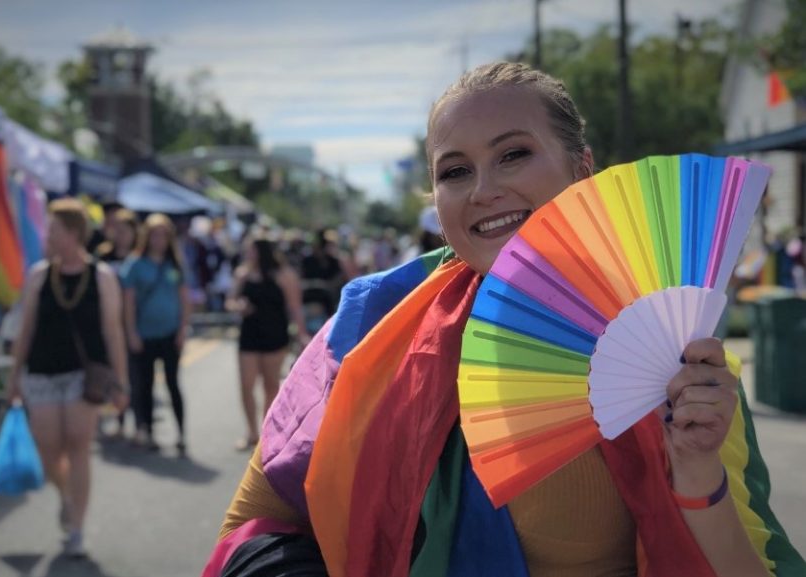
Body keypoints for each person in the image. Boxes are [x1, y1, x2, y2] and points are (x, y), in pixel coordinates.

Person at [203, 62, 805, 577]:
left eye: (513, 154)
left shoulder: (679, 348)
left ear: (581, 169)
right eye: (454, 171)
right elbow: (257, 521)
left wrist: (699, 476)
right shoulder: (372, 324)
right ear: (437, 204)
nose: (484, 189)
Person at [6, 198, 128, 558]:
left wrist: (121, 382)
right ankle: (64, 495)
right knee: (48, 449)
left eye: (54, 229)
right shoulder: (39, 275)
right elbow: (25, 330)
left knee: (77, 445)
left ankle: (76, 527)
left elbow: (113, 332)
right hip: (42, 372)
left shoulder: (102, 277)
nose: (48, 235)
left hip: (83, 376)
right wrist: (14, 376)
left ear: (74, 234)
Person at [226, 237, 308, 451]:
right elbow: (230, 300)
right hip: (249, 334)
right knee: (246, 385)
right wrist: (238, 306)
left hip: (275, 334)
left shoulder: (284, 275)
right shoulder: (242, 274)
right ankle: (252, 432)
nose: (248, 254)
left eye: (251, 250)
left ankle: (266, 434)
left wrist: (301, 335)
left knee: (271, 385)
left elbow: (295, 307)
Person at [121, 213, 191, 455]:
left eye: (163, 234)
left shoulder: (175, 264)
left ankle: (181, 433)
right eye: (154, 234)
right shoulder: (135, 264)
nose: (159, 239)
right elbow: (128, 303)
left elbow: (184, 299)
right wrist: (131, 333)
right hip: (144, 335)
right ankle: (148, 431)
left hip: (170, 334)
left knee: (173, 383)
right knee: (145, 385)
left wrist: (183, 330)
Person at [95, 208, 139, 439]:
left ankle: (135, 422)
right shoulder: (103, 257)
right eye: (117, 230)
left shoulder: (139, 258)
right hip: (107, 324)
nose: (120, 235)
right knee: (109, 373)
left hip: (132, 325)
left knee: (132, 374)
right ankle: (113, 418)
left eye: (125, 230)